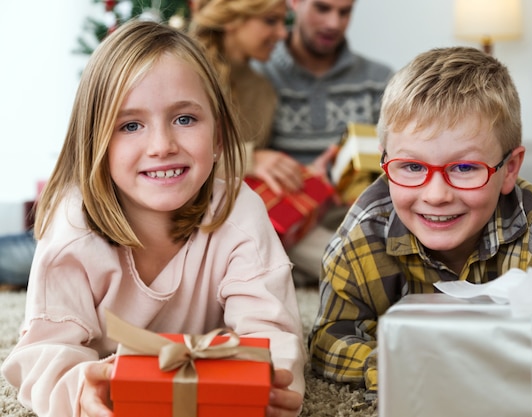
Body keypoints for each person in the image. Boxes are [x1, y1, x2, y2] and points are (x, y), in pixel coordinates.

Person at [1, 20, 305, 417]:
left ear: (217, 137)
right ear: (95, 142)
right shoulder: (73, 229)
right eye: (130, 125)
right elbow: (42, 355)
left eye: (184, 119)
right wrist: (80, 390)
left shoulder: (238, 209)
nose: (162, 146)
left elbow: (272, 332)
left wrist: (271, 382)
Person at [308, 46, 532, 400]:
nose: (436, 195)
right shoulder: (362, 236)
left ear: (509, 170)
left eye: (464, 168)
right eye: (412, 167)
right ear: (385, 162)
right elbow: (328, 340)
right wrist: (395, 365)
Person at [253, 0, 394, 285]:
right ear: (294, 3)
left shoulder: (379, 80)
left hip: (355, 215)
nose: (334, 23)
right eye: (322, 8)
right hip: (289, 215)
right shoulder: (260, 74)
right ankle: (360, 273)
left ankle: (320, 271)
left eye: (345, 12)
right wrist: (306, 179)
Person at [188, 0, 291, 181]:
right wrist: (250, 160)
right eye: (271, 20)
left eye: (284, 21)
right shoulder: (186, 74)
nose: (283, 33)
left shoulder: (263, 92)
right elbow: (174, 156)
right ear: (230, 19)